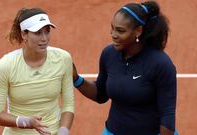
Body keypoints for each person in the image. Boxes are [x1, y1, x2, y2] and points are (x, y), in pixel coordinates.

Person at [73, 1, 178, 135]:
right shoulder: (109, 54)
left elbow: (167, 117)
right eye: (113, 28)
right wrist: (76, 79)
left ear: (138, 31)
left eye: (120, 31)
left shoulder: (161, 64)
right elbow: (100, 94)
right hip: (113, 131)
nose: (113, 35)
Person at [0, 7, 74, 135]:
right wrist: (27, 122)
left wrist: (63, 131)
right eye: (38, 32)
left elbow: (68, 105)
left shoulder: (63, 59)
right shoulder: (5, 66)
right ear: (24, 34)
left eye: (47, 31)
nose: (44, 38)